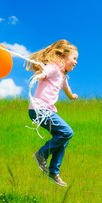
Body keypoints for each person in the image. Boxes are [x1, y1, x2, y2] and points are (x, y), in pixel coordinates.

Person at [26, 39, 79, 187]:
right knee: (67, 132)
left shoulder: (63, 76)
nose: (76, 62)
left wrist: (72, 96)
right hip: (39, 110)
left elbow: (67, 89)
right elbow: (46, 71)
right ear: (63, 56)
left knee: (64, 137)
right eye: (74, 58)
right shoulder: (54, 68)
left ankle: (54, 171)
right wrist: (41, 73)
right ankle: (41, 154)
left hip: (45, 110)